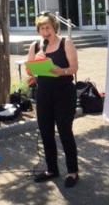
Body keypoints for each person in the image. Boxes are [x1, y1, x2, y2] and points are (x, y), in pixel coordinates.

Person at [27, 11, 79, 188]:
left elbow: (74, 68)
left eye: (48, 27)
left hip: (64, 93)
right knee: (46, 132)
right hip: (43, 94)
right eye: (41, 28)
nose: (45, 31)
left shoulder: (66, 43)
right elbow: (30, 70)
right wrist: (33, 71)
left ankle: (72, 172)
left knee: (65, 132)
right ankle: (51, 169)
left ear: (54, 27)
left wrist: (60, 70)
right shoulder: (35, 46)